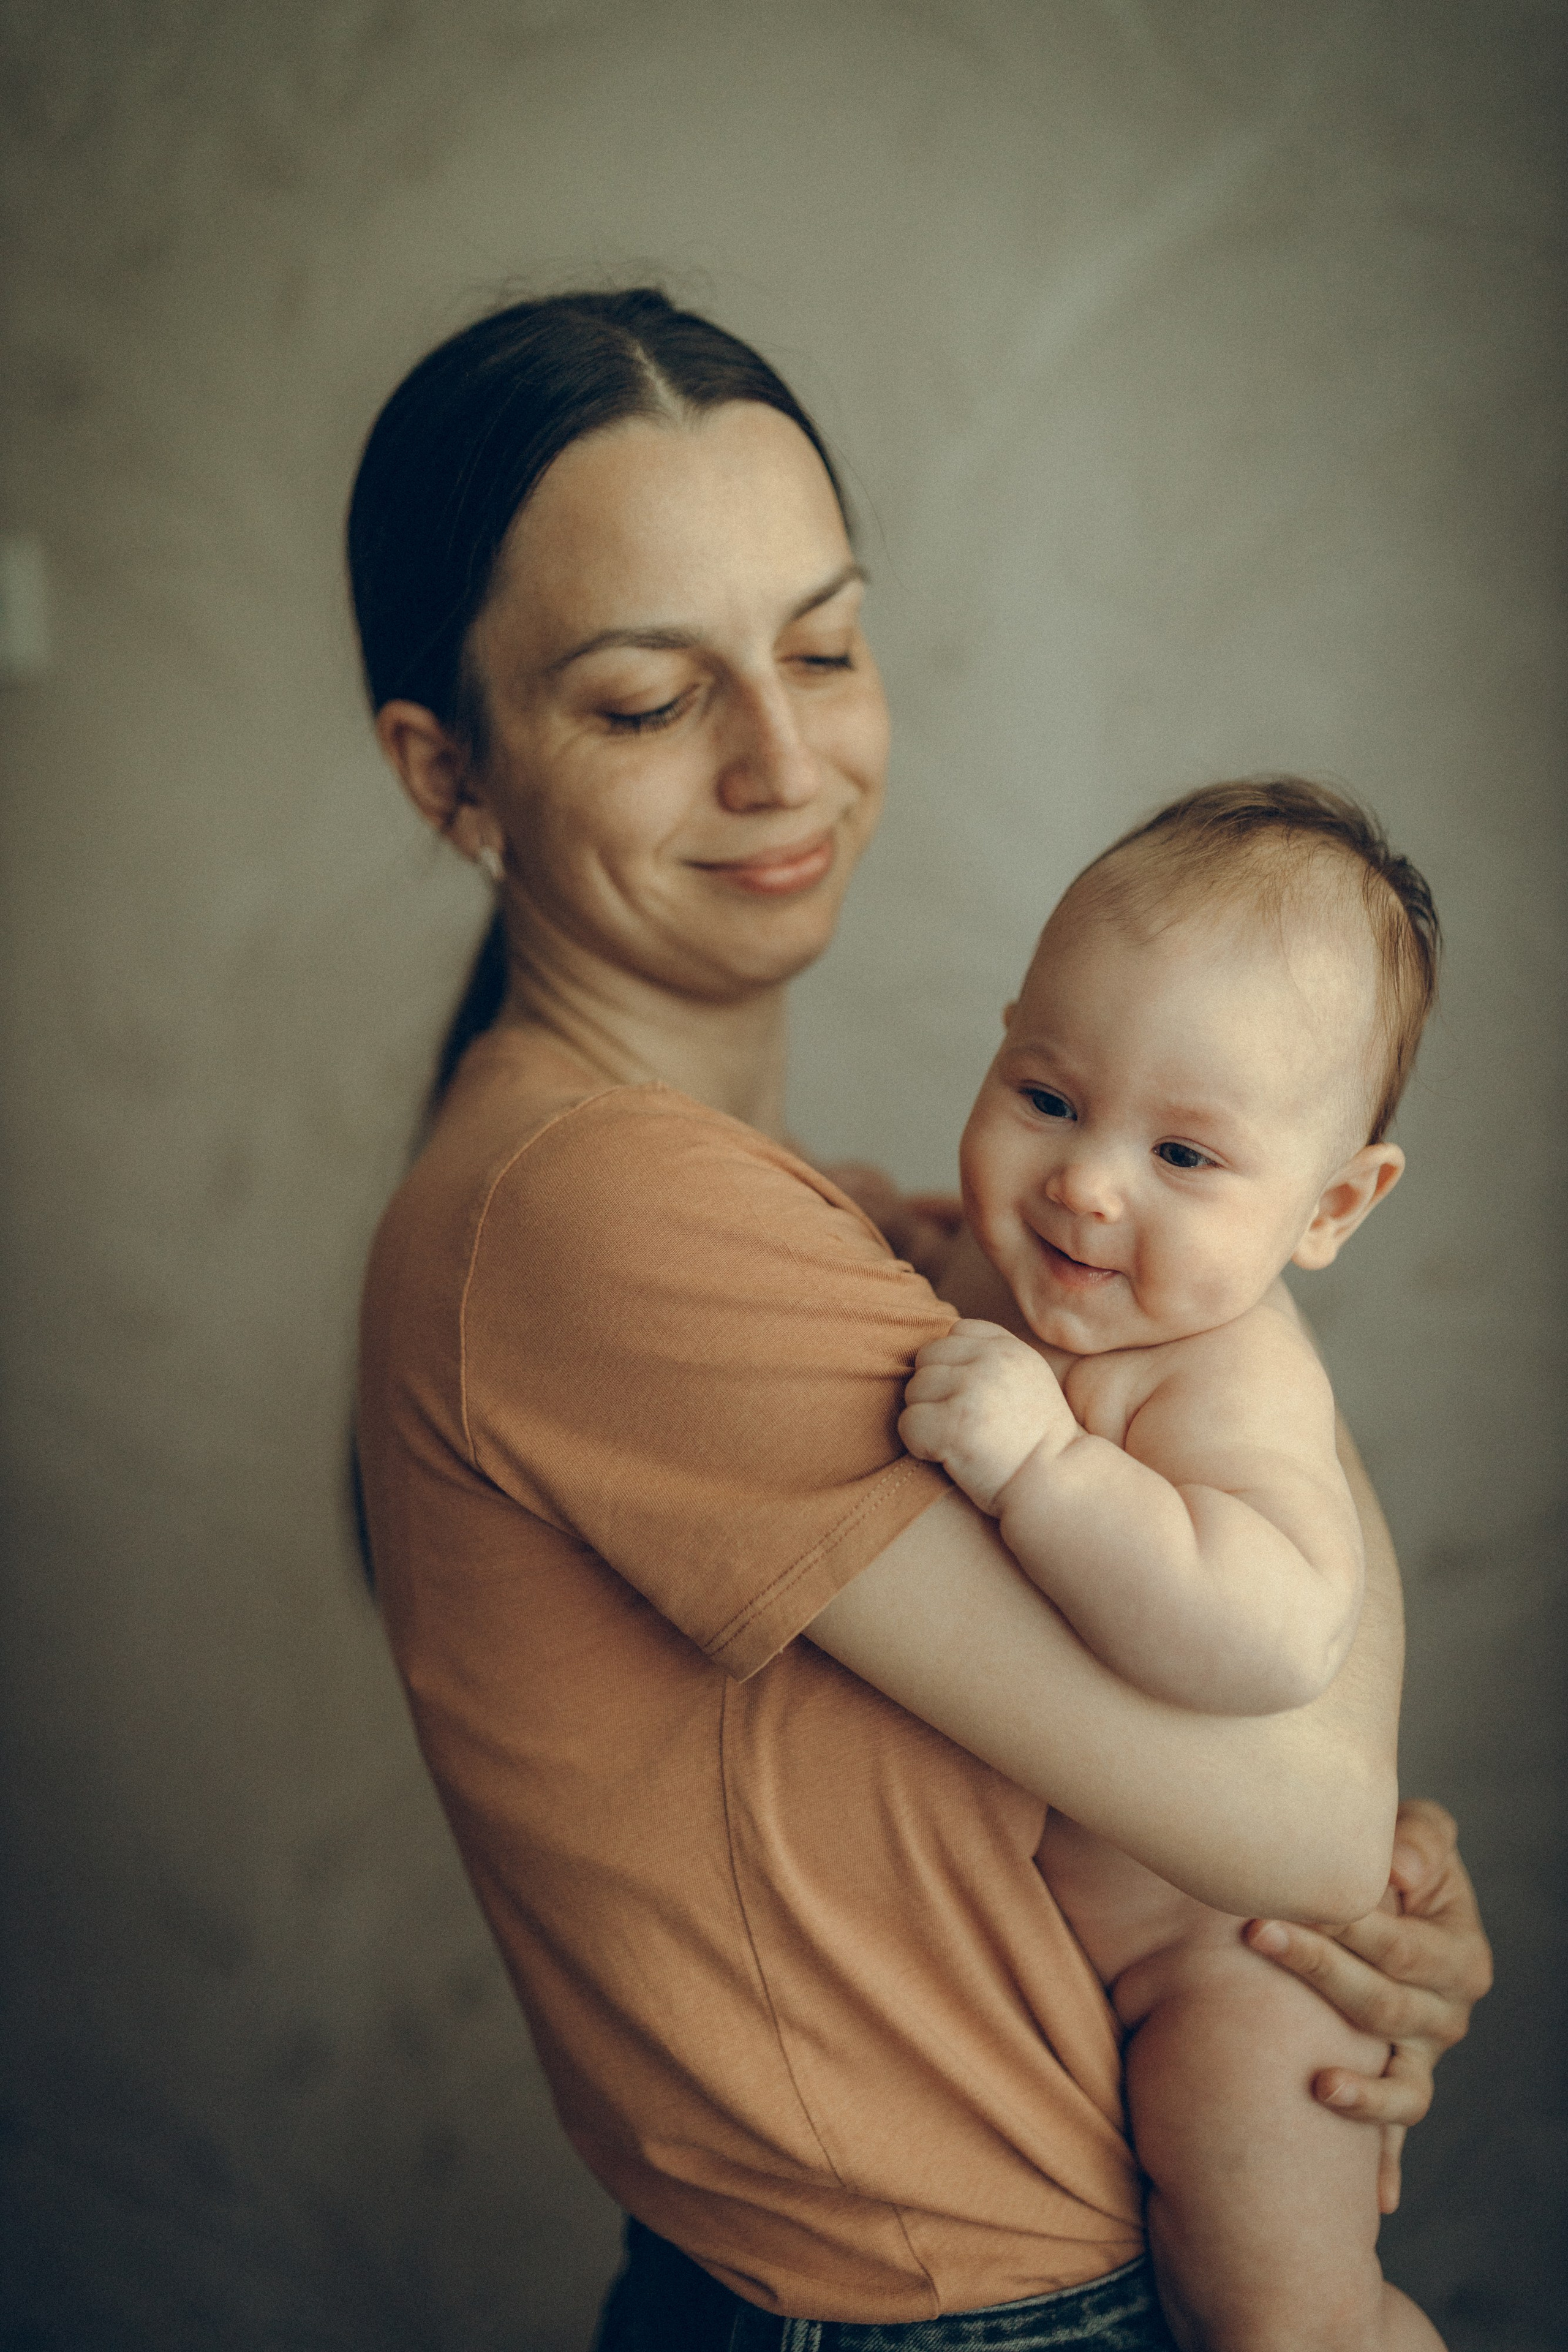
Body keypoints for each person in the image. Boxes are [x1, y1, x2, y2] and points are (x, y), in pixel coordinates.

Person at [349, 288, 1491, 2351]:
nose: (785, 759)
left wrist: (1358, 1923)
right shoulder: (599, 1212)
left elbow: (1254, 1671)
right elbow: (1298, 1798)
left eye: (824, 644)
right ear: (453, 773)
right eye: (640, 700)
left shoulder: (860, 1238)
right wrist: (1354, 1860)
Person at [902, 778, 1444, 2347]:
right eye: (1046, 1097)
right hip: (1037, 1980)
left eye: (1186, 1156)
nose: (1085, 1182)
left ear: (1331, 1206)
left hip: (1225, 1963)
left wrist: (1047, 1469)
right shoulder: (994, 1262)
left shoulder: (1229, 1382)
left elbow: (1269, 1635)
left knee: (1277, 2322)